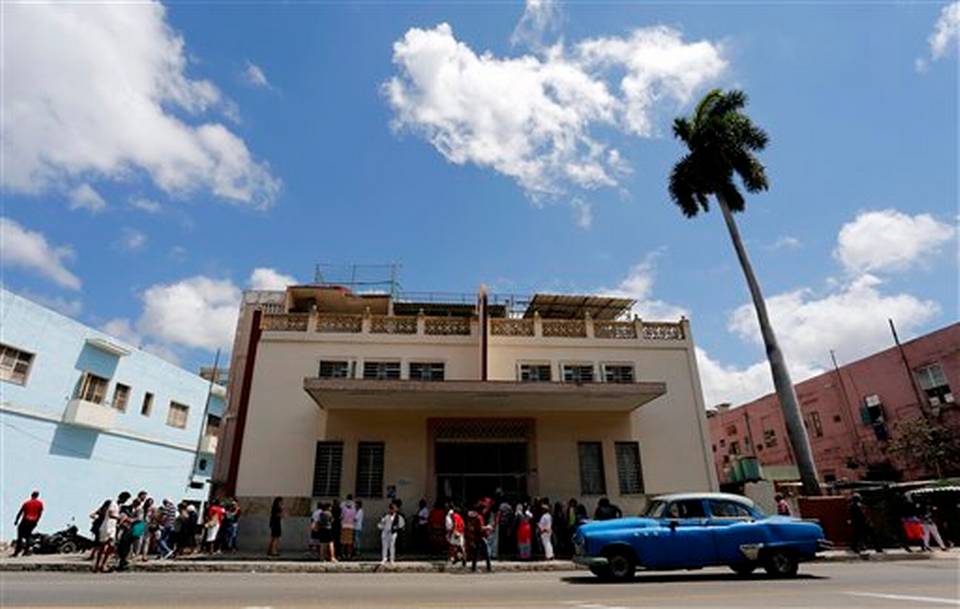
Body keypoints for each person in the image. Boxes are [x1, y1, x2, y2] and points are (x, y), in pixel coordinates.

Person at [13, 490, 44, 557]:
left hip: (26, 520)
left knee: (20, 535)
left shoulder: (27, 503)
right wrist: (36, 521)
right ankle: (26, 551)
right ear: (37, 496)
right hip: (33, 521)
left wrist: (16, 520)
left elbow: (20, 512)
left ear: (31, 495)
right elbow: (40, 514)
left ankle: (17, 551)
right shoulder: (40, 504)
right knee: (28, 535)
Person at [466, 501, 492, 572]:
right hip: (480, 537)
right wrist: (487, 527)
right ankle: (489, 568)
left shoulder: (476, 516)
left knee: (476, 553)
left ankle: (473, 568)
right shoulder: (480, 517)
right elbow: (480, 528)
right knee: (486, 553)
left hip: (476, 537)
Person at [340, 495, 357, 560]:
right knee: (349, 542)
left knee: (343, 542)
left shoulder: (343, 508)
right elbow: (355, 518)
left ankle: (343, 554)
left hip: (344, 526)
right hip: (351, 526)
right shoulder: (353, 510)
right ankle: (349, 554)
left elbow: (341, 517)